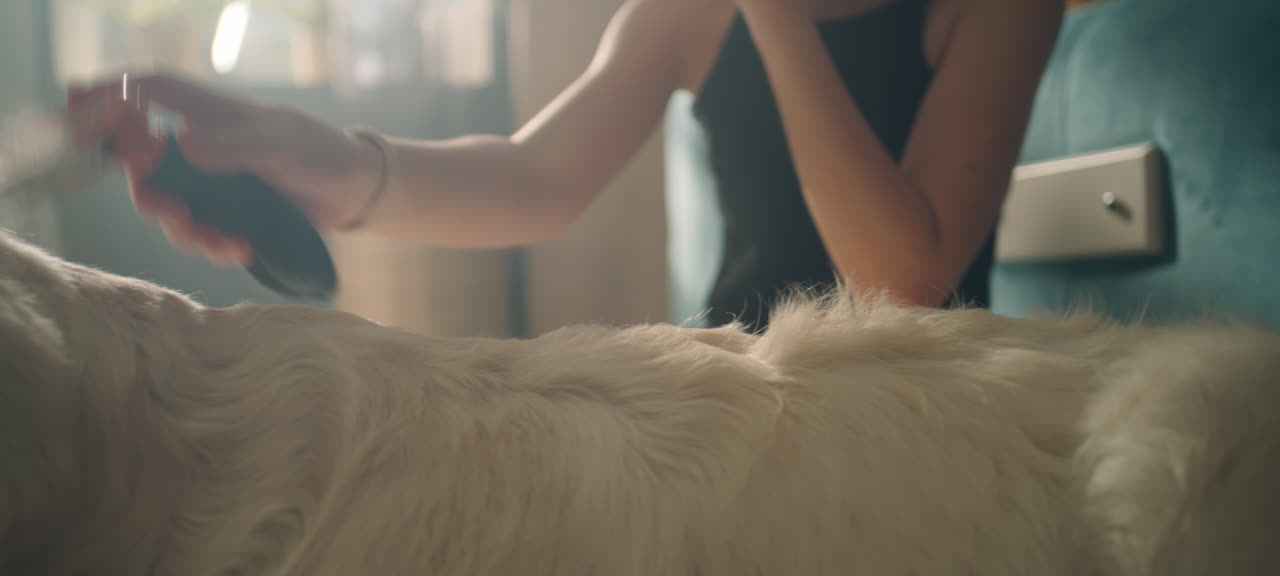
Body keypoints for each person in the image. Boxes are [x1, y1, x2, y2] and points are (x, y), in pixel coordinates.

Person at [69, 0, 1063, 331]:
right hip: (739, 405)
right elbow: (535, 174)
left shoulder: (995, 9)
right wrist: (338, 164)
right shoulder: (684, 14)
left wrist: (773, 16)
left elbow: (900, 275)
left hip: (927, 415)